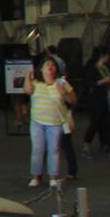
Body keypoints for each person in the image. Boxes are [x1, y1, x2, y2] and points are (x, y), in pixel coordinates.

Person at [26, 54, 74, 188]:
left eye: (53, 65)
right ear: (41, 69)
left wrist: (64, 93)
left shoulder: (62, 83)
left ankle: (53, 177)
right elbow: (27, 91)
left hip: (55, 122)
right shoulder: (36, 83)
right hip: (37, 121)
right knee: (37, 149)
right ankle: (35, 176)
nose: (50, 67)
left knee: (54, 150)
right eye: (47, 65)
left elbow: (73, 100)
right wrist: (27, 77)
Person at [82, 47, 110, 160]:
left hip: (107, 98)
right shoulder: (92, 69)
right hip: (96, 99)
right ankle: (86, 146)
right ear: (102, 56)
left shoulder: (106, 68)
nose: (108, 57)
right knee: (95, 123)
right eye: (106, 55)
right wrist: (103, 81)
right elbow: (89, 83)